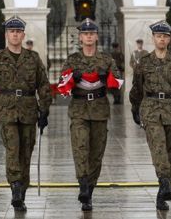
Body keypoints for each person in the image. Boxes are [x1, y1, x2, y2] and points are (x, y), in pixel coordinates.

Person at [0, 16, 52, 212]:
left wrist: (44, 109)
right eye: (12, 31)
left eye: (18, 31)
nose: (15, 34)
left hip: (29, 109)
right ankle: (15, 189)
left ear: (23, 35)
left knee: (26, 152)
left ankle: (23, 190)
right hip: (6, 109)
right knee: (12, 149)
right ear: (7, 35)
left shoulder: (33, 58)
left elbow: (43, 85)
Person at [129, 20, 171, 211]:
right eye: (159, 36)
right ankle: (165, 181)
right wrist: (135, 108)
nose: (162, 39)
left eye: (165, 36)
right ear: (153, 38)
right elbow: (137, 88)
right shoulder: (143, 63)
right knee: (158, 148)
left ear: (169, 39)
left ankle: (162, 192)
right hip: (151, 110)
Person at [57, 18, 123, 211]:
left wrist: (107, 77)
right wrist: (72, 77)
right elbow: (62, 85)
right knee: (80, 148)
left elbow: (118, 83)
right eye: (85, 34)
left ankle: (90, 191)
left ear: (96, 36)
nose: (88, 37)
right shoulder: (72, 60)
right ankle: (83, 184)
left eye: (91, 34)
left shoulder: (106, 59)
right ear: (80, 37)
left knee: (96, 154)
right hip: (78, 109)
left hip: (100, 110)